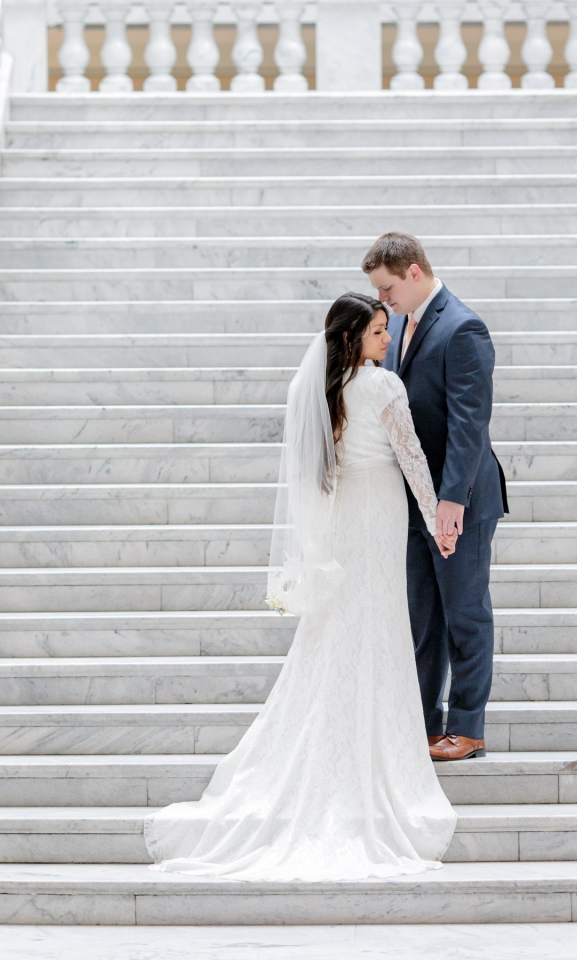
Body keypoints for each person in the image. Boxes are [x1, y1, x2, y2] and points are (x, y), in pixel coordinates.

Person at [144, 293, 457, 881]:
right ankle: (377, 755)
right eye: (380, 332)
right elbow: (412, 457)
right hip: (380, 510)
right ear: (354, 338)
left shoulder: (321, 388)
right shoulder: (384, 387)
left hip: (344, 516)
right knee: (381, 621)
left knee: (341, 625)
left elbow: (321, 469)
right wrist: (437, 518)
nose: (388, 341)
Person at [363, 233, 508, 762]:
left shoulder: (463, 327)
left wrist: (452, 503)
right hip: (412, 500)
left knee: (465, 614)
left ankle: (467, 728)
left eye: (388, 288)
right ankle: (423, 725)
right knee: (421, 619)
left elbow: (470, 426)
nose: (383, 300)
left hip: (458, 501)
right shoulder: (398, 322)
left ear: (415, 273)